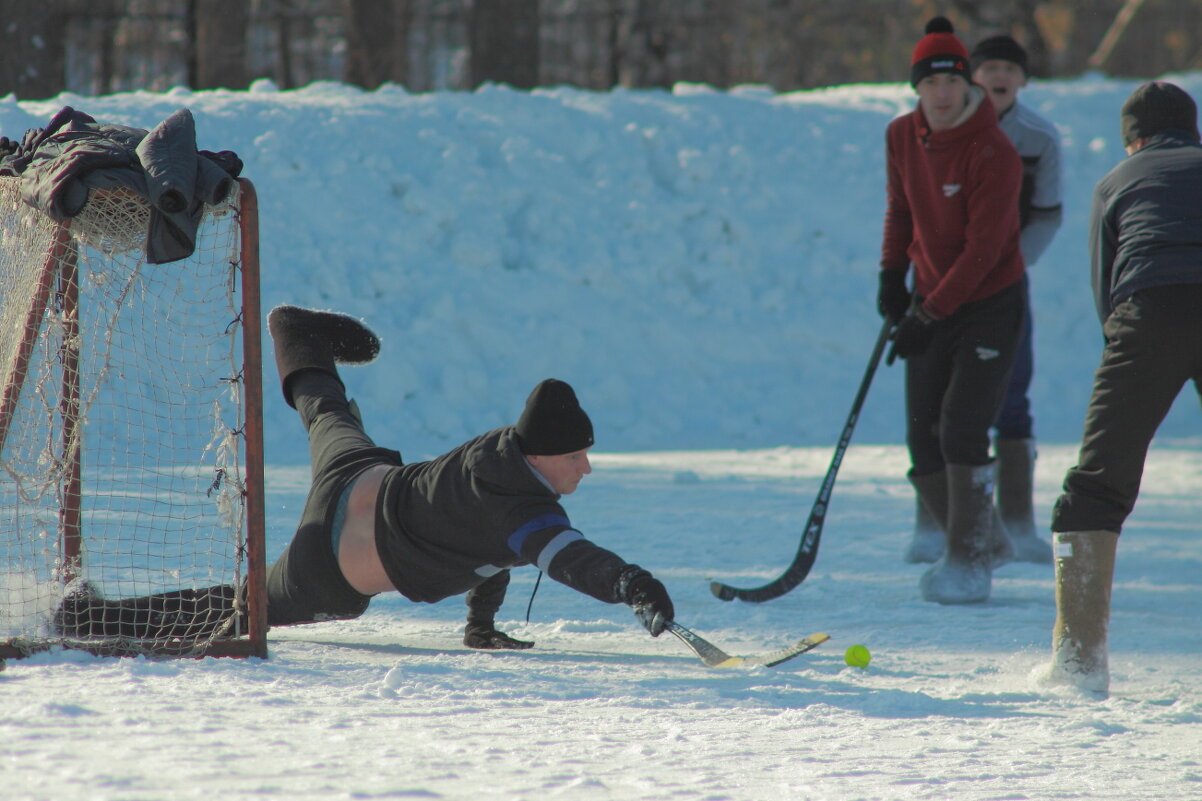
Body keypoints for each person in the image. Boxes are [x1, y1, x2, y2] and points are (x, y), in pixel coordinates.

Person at [55, 305, 676, 649]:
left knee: (327, 409)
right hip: (326, 566)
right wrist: (632, 583)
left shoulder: (502, 454)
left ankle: (298, 335)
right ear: (542, 457)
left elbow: (491, 549)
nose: (586, 467)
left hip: (360, 475)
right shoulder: (523, 514)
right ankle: (89, 622)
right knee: (243, 608)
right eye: (576, 457)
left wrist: (480, 626)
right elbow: (565, 556)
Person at [1045, 82, 1202, 695]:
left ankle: (1079, 662)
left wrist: (1132, 357)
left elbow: (1104, 285)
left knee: (1098, 483)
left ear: (1132, 137)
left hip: (1149, 309)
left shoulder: (1117, 180)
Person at [877, 17, 1025, 604]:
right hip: (931, 297)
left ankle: (968, 561)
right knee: (922, 433)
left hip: (989, 301)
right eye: (928, 83)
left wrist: (928, 315)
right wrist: (891, 275)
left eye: (951, 83)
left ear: (968, 85)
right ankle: (982, 537)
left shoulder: (995, 151)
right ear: (916, 88)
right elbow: (900, 208)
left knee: (961, 426)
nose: (940, 95)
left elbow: (984, 250)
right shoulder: (900, 135)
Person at [907, 33, 1063, 565]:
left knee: (1007, 396)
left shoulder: (1037, 137)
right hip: (944, 284)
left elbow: (1047, 213)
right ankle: (937, 523)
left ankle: (1015, 524)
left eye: (1009, 67)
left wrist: (1006, 265)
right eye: (988, 65)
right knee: (934, 408)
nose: (998, 75)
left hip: (998, 283)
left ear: (1022, 79)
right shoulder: (932, 129)